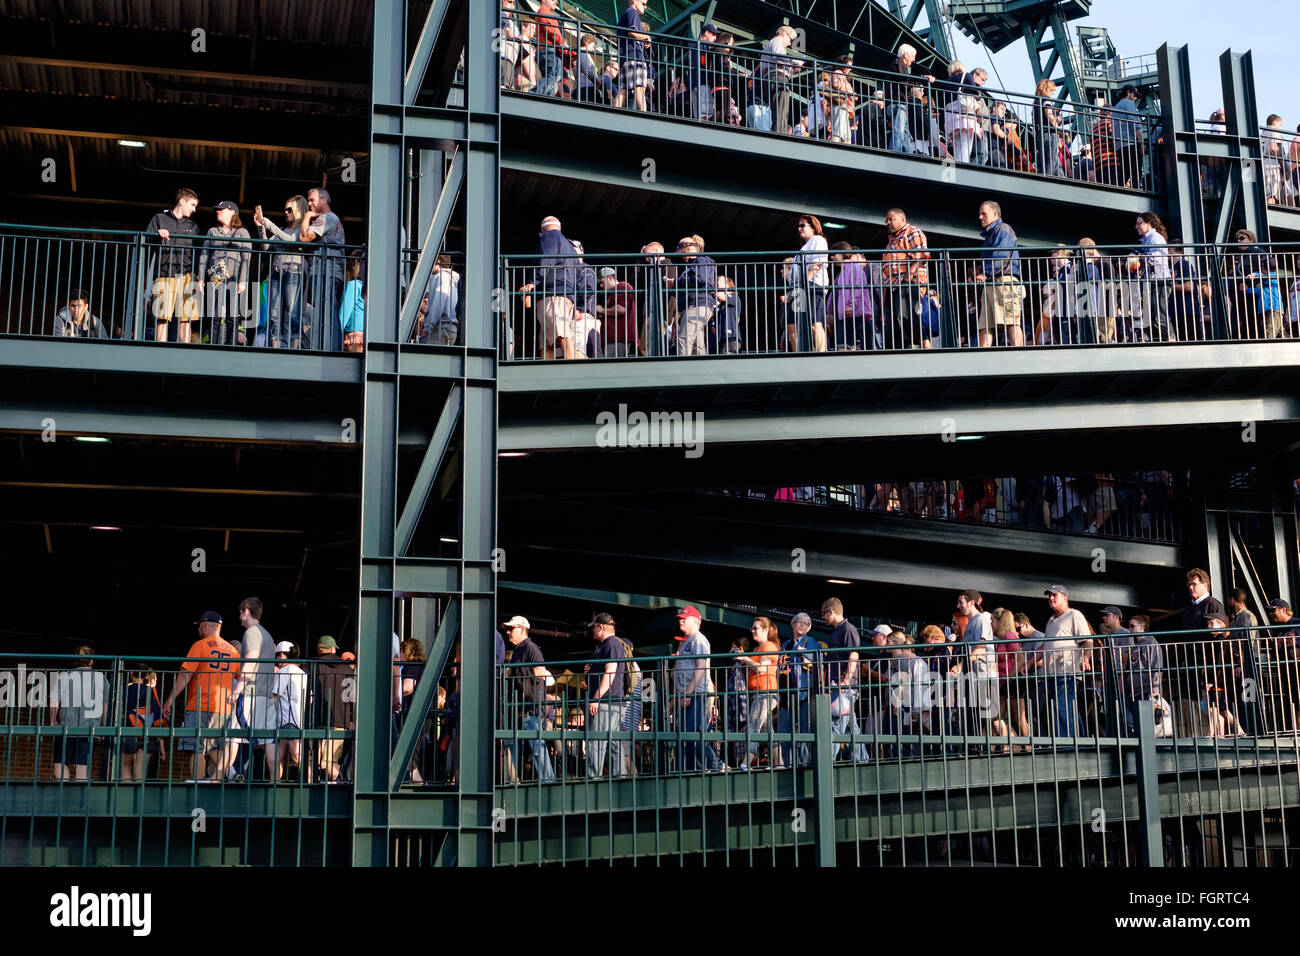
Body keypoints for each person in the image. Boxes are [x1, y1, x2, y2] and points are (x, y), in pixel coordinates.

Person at [161, 611, 242, 782]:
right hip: (224, 709)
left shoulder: (200, 645)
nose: (198, 629)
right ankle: (225, 777)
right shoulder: (233, 651)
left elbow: (185, 675)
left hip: (199, 704)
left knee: (195, 748)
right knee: (214, 748)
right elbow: (241, 678)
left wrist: (170, 700)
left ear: (205, 625)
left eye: (199, 626)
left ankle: (198, 787)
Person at [503, 615, 555, 783]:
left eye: (512, 628)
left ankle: (548, 781)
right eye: (508, 629)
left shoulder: (530, 648)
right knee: (515, 746)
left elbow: (541, 672)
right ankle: (513, 780)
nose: (508, 632)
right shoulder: (520, 649)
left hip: (529, 708)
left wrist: (515, 672)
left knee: (536, 747)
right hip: (521, 707)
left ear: (523, 629)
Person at [228, 597, 275, 781]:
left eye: (240, 613)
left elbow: (251, 659)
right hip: (266, 695)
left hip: (250, 694)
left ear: (246, 611)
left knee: (232, 736)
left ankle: (217, 778)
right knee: (269, 739)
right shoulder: (268, 636)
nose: (239, 618)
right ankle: (274, 781)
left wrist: (237, 689)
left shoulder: (252, 632)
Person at [1034, 586, 1091, 738]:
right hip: (1053, 673)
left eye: (1054, 595)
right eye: (1049, 596)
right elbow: (1044, 644)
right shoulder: (1051, 620)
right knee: (1065, 707)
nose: (1051, 598)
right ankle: (1080, 742)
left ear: (1065, 598)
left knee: (1062, 706)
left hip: (1068, 671)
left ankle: (1069, 744)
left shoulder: (1074, 614)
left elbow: (1087, 640)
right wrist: (1028, 664)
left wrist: (1086, 659)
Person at [673, 605, 725, 772]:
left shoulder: (698, 639)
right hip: (687, 695)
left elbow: (701, 666)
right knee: (686, 736)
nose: (680, 620)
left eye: (684, 618)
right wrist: (677, 696)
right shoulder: (684, 642)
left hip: (697, 695)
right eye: (680, 618)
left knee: (693, 734)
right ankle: (692, 770)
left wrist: (687, 693)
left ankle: (716, 766)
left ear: (695, 621)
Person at [147, 187, 201, 344]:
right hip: (164, 273)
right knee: (162, 316)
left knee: (187, 317)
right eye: (192, 205)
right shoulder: (159, 219)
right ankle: (160, 351)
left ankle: (185, 350)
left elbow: (197, 253)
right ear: (182, 201)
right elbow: (146, 242)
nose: (194, 209)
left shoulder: (194, 226)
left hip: (188, 275)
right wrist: (157, 234)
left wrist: (199, 277)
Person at [253, 195, 308, 349]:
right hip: (277, 272)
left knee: (292, 312)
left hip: (294, 271)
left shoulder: (301, 228)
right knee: (274, 313)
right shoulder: (282, 229)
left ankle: (294, 347)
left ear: (299, 209)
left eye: (289, 209)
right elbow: (266, 246)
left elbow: (291, 240)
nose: (286, 212)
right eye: (285, 209)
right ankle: (275, 347)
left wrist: (270, 225)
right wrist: (261, 227)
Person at [519, 216, 576, 360]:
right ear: (560, 227)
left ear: (542, 228)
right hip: (566, 294)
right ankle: (547, 369)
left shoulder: (549, 237)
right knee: (547, 339)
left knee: (561, 333)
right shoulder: (570, 247)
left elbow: (547, 259)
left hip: (552, 293)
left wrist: (532, 281)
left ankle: (573, 367)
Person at [50, 645, 109, 781]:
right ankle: (79, 797)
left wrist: (53, 722)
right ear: (92, 660)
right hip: (90, 729)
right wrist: (104, 727)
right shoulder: (101, 678)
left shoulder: (65, 675)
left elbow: (54, 701)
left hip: (66, 727)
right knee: (82, 766)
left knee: (61, 762)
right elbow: (105, 706)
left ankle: (62, 791)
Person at [197, 200, 251, 346]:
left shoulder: (242, 232)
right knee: (213, 315)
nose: (218, 211)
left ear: (232, 212)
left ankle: (231, 346)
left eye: (221, 209)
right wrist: (200, 278)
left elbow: (247, 258)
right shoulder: (212, 231)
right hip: (214, 278)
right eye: (217, 209)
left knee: (232, 316)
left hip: (233, 278)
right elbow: (204, 255)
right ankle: (213, 346)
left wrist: (243, 280)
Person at [822, 597, 868, 763]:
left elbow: (854, 654)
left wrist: (846, 680)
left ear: (831, 611)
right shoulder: (837, 631)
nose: (822, 617)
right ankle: (862, 760)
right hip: (840, 685)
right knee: (850, 728)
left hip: (844, 686)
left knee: (836, 723)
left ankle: (828, 762)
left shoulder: (848, 629)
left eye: (823, 613)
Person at [299, 187, 346, 351]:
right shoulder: (331, 219)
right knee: (325, 311)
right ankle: (327, 346)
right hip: (328, 272)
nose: (309, 204)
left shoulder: (327, 218)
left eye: (312, 200)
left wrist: (307, 217)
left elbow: (304, 237)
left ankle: (330, 349)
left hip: (327, 272)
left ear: (324, 200)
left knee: (327, 312)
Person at [975, 201, 1024, 347]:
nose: (980, 217)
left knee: (1011, 320)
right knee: (985, 324)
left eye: (984, 213)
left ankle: (1019, 354)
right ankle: (983, 356)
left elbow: (1001, 256)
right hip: (991, 282)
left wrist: (985, 273)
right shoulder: (990, 235)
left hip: (1004, 281)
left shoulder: (1003, 229)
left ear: (995, 214)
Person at [881, 208, 930, 350]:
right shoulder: (891, 241)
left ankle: (924, 346)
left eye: (891, 219)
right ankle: (899, 350)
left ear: (902, 219)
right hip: (892, 286)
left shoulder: (912, 232)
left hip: (908, 282)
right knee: (893, 323)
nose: (888, 222)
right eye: (887, 220)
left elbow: (922, 254)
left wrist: (909, 276)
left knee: (907, 316)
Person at [586, 612, 628, 777]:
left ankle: (593, 779)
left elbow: (610, 672)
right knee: (614, 744)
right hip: (614, 702)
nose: (593, 631)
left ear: (601, 627)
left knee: (596, 743)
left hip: (606, 702)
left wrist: (596, 697)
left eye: (594, 628)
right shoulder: (611, 645)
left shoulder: (610, 644)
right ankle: (620, 779)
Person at [736, 617, 781, 767]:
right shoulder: (756, 649)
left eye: (756, 628)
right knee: (768, 731)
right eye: (752, 628)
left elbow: (763, 668)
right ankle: (780, 763)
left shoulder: (769, 646)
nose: (753, 631)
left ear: (766, 630)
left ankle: (746, 762)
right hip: (758, 693)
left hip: (765, 692)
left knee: (753, 726)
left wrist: (745, 659)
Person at [311, 635, 355, 782]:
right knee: (330, 762)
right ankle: (339, 783)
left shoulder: (312, 665)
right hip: (340, 721)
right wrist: (351, 719)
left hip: (316, 720)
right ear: (332, 648)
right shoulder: (347, 669)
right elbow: (351, 697)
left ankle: (330, 784)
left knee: (313, 762)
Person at [778, 612, 819, 766]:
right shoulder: (785, 644)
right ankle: (788, 764)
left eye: (806, 623)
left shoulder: (811, 641)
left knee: (804, 730)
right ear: (793, 624)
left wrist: (804, 652)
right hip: (786, 693)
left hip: (804, 692)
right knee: (784, 730)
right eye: (799, 622)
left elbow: (818, 659)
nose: (802, 625)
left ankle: (805, 763)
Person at [668, 234, 716, 355]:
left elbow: (700, 279)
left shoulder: (701, 260)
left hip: (697, 304)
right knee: (696, 344)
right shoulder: (695, 263)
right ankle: (702, 370)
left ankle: (682, 369)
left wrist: (676, 282)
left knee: (684, 339)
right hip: (696, 304)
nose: (682, 257)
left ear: (686, 249)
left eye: (681, 253)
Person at [757, 25, 804, 135]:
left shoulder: (773, 43)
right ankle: (779, 134)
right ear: (784, 34)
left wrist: (791, 69)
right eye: (790, 39)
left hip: (774, 77)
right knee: (781, 109)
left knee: (778, 108)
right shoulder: (777, 41)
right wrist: (795, 62)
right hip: (777, 78)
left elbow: (779, 61)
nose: (790, 43)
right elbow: (778, 57)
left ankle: (778, 132)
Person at [792, 216, 829, 352]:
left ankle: (821, 352)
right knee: (799, 323)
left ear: (813, 227)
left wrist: (805, 282)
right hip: (800, 288)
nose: (799, 228)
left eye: (803, 225)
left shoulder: (818, 240)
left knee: (814, 321)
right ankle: (803, 351)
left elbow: (818, 263)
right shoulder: (804, 247)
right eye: (799, 226)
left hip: (813, 285)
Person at [886, 44, 932, 154]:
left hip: (897, 103)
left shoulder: (899, 65)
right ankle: (894, 154)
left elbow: (906, 81)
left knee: (905, 133)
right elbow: (905, 81)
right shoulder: (898, 63)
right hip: (897, 103)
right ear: (905, 55)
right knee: (899, 132)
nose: (914, 59)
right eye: (913, 56)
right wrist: (922, 79)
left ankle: (909, 155)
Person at [121, 668, 165, 781]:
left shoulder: (124, 690)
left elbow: (119, 713)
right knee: (140, 769)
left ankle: (127, 794)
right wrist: (162, 748)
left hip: (128, 731)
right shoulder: (152, 692)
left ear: (131, 673)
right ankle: (138, 796)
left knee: (125, 765)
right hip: (148, 734)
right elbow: (158, 718)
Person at [1133, 212, 1172, 341]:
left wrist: (1138, 257)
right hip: (1153, 280)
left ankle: (1170, 338)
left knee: (1159, 314)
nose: (1136, 226)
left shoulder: (1155, 238)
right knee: (1152, 313)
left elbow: (1156, 260)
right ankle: (1159, 338)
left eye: (1140, 223)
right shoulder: (1147, 240)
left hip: (1160, 280)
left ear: (1149, 223)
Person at [399, 638, 432, 784]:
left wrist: (392, 694)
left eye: (401, 650)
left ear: (407, 651)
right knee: (410, 754)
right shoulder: (422, 666)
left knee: (408, 754)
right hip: (423, 716)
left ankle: (418, 784)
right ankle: (417, 782)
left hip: (415, 717)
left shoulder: (412, 667)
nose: (398, 654)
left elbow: (407, 687)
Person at [830, 243, 873, 350]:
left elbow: (858, 287)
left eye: (833, 254)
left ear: (841, 254)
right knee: (844, 344)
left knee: (844, 345)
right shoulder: (841, 272)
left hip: (851, 312)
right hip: (845, 313)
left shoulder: (854, 267)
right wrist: (829, 309)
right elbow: (834, 292)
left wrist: (851, 305)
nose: (831, 257)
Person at [613, 0, 651, 112]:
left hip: (625, 58)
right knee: (639, 88)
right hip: (634, 57)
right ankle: (645, 115)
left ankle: (613, 113)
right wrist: (646, 37)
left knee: (623, 90)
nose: (645, 6)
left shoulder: (625, 13)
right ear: (635, 1)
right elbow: (632, 32)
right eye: (643, 3)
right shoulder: (632, 12)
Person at [595, 267, 638, 357]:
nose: (601, 286)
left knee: (611, 367)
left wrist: (602, 310)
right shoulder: (614, 292)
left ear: (610, 277)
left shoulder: (622, 287)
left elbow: (621, 309)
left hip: (618, 339)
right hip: (614, 340)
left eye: (602, 282)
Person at [419, 254, 461, 346]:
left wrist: (428, 326)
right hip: (451, 328)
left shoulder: (440, 277)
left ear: (437, 261)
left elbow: (437, 303)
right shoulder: (453, 279)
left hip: (441, 328)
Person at [1111, 85, 1145, 188]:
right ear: (1128, 92)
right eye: (1134, 95)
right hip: (1130, 144)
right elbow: (1134, 124)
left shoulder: (1116, 107)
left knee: (1125, 172)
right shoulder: (1129, 103)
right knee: (1135, 171)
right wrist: (1141, 142)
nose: (1135, 98)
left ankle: (1118, 190)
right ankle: (1137, 191)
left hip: (1119, 146)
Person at [339, 256, 365, 352]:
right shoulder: (366, 286)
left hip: (354, 333)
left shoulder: (353, 285)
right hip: (365, 332)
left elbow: (345, 311)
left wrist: (337, 332)